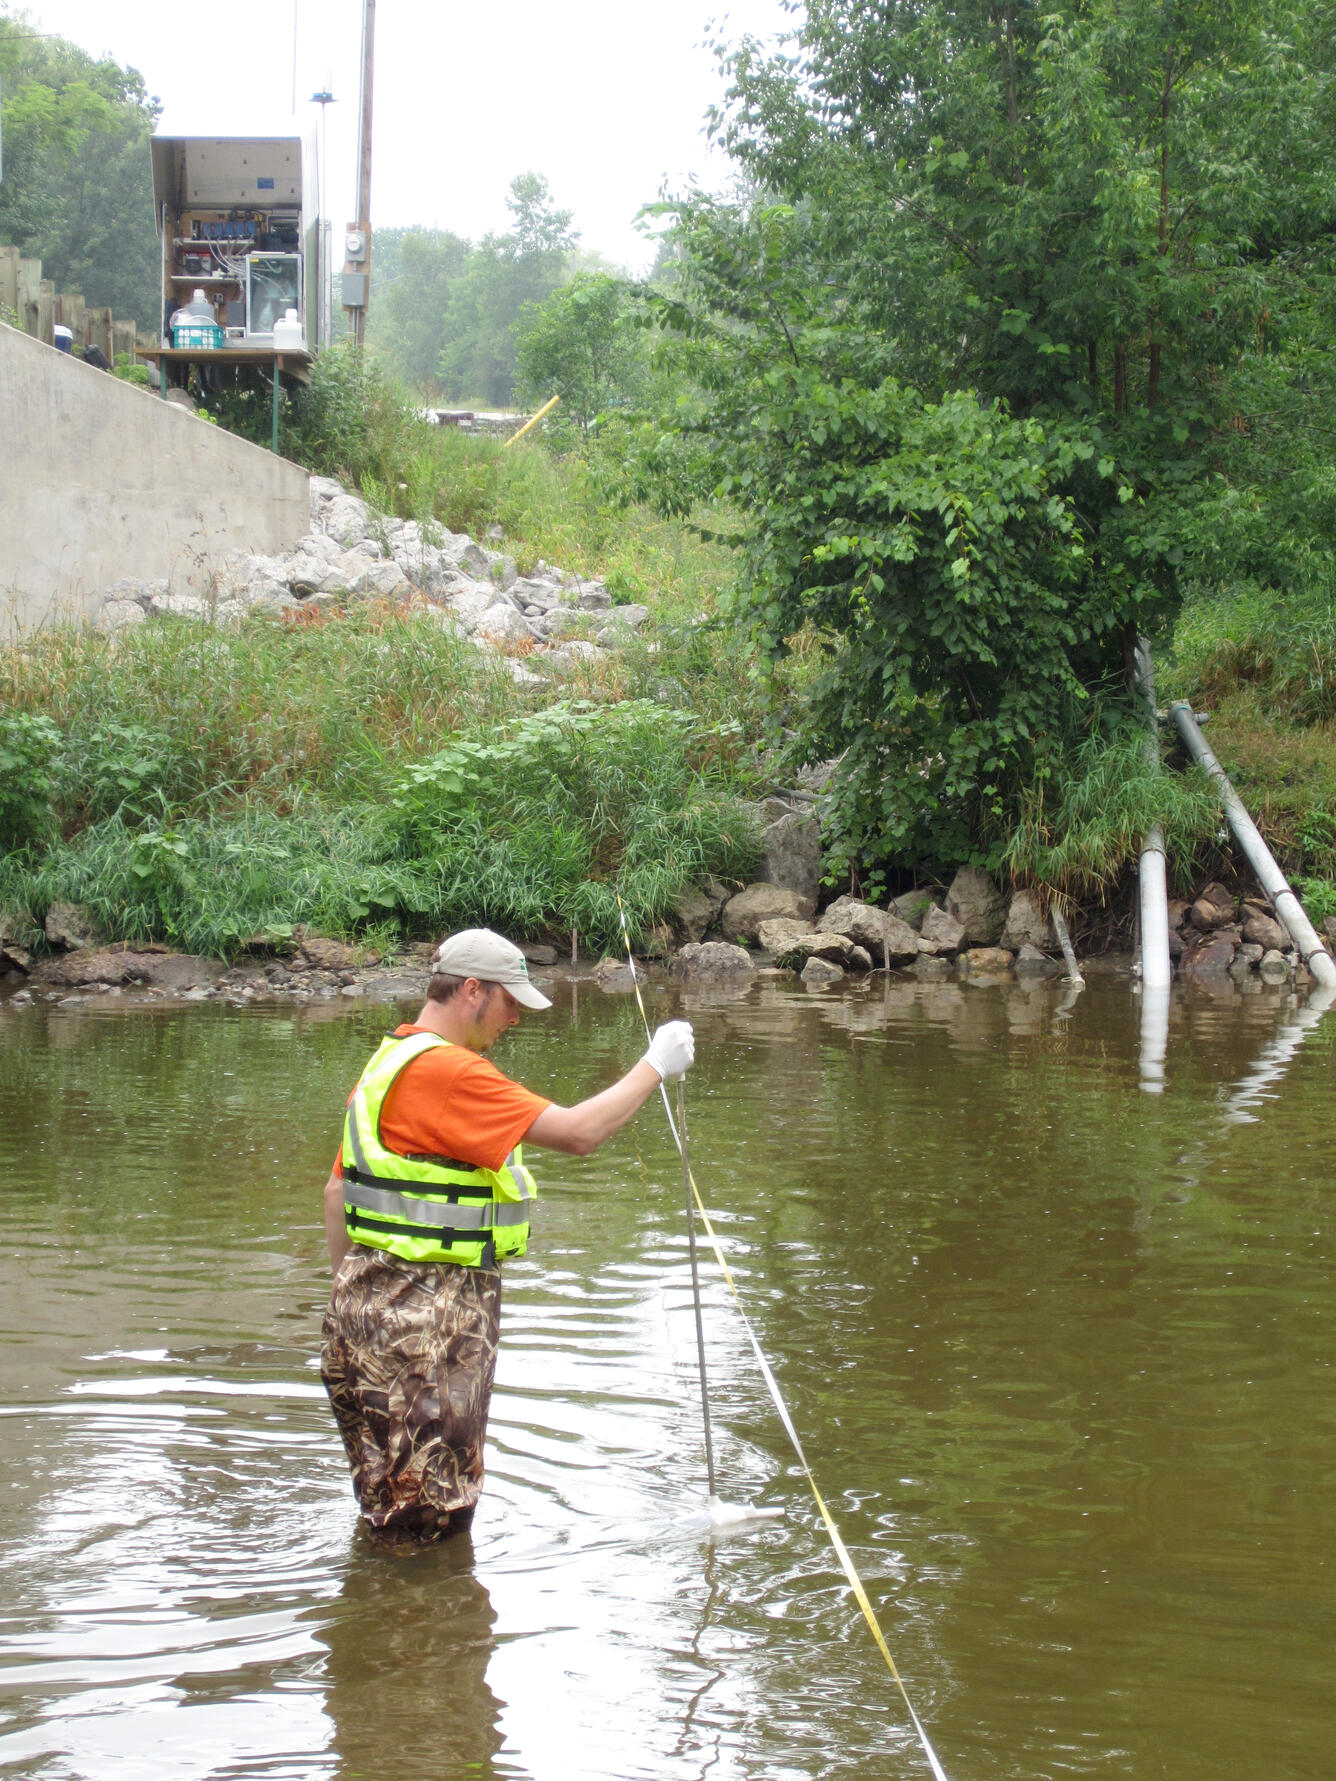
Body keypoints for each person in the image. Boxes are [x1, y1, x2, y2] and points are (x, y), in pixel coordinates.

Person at [321, 926, 693, 1540]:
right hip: (427, 1334)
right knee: (432, 1530)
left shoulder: (388, 1061)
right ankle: (428, 1632)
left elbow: (336, 1193)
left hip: (357, 1319)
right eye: (510, 1001)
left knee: (389, 1517)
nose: (515, 1017)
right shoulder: (451, 1073)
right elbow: (578, 1133)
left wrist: (357, 1307)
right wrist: (655, 1064)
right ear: (472, 991)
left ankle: (377, 1628)